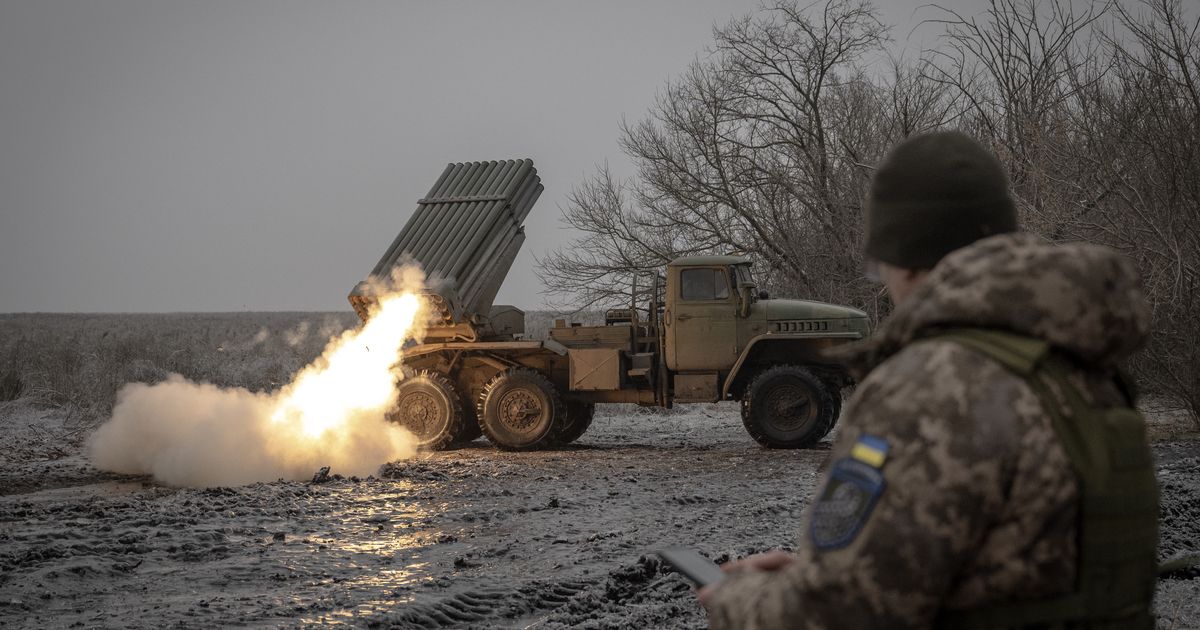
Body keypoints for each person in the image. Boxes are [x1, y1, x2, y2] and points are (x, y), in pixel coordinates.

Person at [698, 131, 1160, 629]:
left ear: (904, 256)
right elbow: (1025, 570)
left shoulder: (930, 388)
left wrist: (738, 599)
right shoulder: (1080, 369)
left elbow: (838, 616)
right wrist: (828, 571)